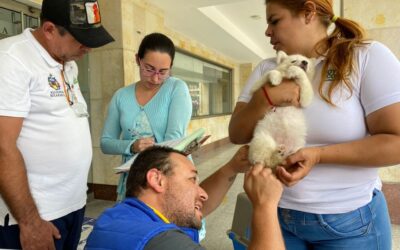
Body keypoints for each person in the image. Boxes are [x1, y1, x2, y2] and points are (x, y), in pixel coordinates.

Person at [229, 0, 400, 249]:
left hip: (351, 223)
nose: (267, 31)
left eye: (274, 20)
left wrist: (319, 155)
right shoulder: (267, 68)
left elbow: (396, 141)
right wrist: (264, 97)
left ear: (308, 12)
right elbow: (236, 133)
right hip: (275, 215)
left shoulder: (365, 56)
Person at [0, 0, 114, 249]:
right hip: (33, 215)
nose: (88, 49)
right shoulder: (11, 59)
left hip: (72, 204)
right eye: (80, 40)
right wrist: (30, 223)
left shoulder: (67, 62)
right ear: (50, 29)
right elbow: (2, 146)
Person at [85, 145, 285, 250]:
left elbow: (186, 209)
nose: (203, 193)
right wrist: (265, 206)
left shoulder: (118, 217)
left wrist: (231, 168)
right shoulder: (163, 242)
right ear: (157, 180)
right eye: (192, 180)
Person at [100, 32, 192, 201]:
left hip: (169, 177)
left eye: (163, 71)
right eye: (149, 69)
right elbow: (106, 143)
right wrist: (132, 146)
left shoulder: (176, 88)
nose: (156, 78)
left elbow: (174, 138)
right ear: (137, 60)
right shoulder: (121, 96)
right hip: (133, 180)